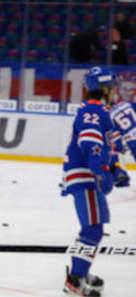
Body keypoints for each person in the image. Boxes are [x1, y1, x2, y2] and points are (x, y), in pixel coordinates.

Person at [60, 66, 128, 297]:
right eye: (111, 87)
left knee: (92, 228)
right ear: (103, 88)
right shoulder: (93, 109)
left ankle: (80, 272)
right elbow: (90, 143)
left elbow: (104, 147)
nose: (114, 91)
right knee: (92, 229)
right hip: (85, 174)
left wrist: (114, 168)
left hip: (86, 173)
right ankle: (75, 280)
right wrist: (100, 171)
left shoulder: (99, 111)